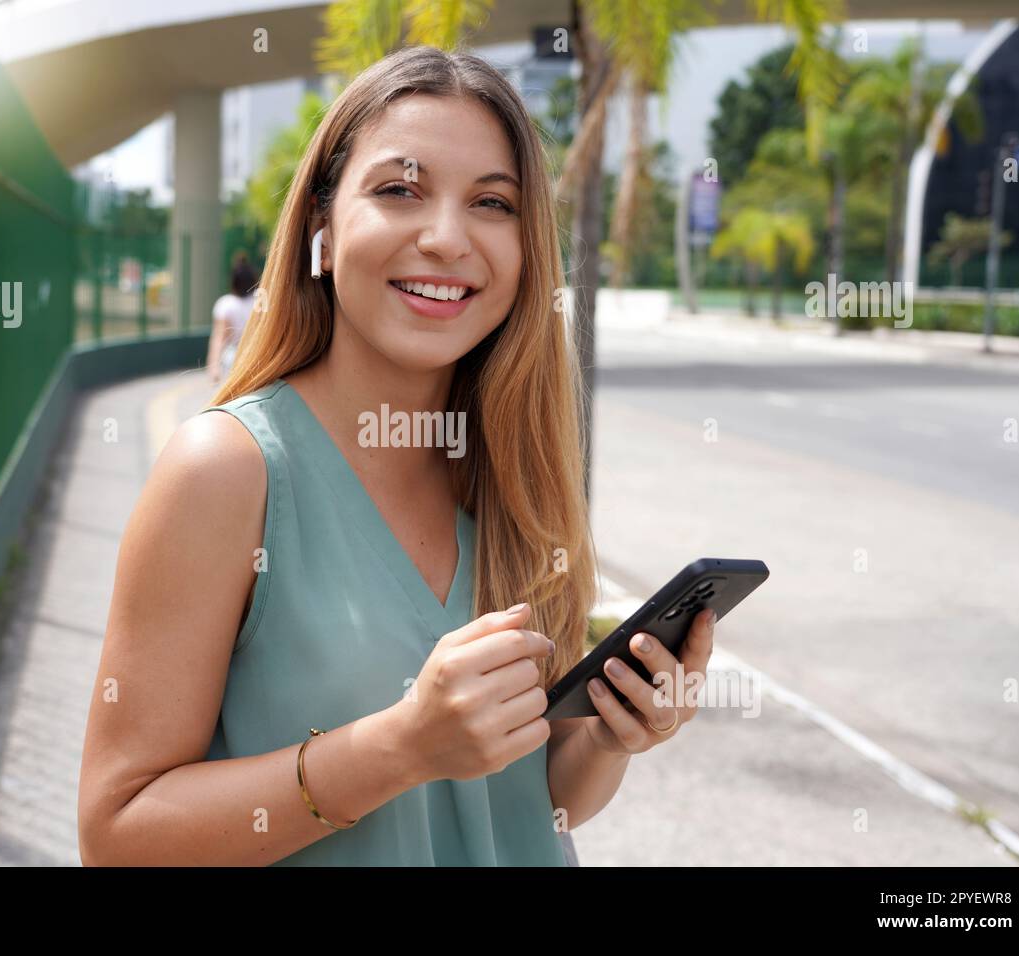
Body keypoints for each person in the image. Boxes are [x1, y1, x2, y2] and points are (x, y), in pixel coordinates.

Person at [78, 46, 717, 867]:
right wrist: (400, 746)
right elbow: (115, 834)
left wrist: (613, 735)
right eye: (398, 190)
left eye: (492, 203)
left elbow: (531, 802)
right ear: (323, 227)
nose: (447, 238)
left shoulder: (517, 480)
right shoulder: (226, 470)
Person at [208, 253, 259, 383]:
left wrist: (214, 367)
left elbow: (219, 337)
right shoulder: (260, 300)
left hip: (234, 358)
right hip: (257, 354)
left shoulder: (226, 304)